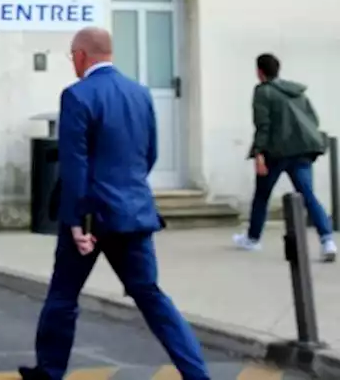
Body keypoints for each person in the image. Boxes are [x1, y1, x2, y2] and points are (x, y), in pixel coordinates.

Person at [19, 27, 208, 380]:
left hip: (91, 216)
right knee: (151, 296)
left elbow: (75, 164)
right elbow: (149, 154)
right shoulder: (140, 94)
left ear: (80, 56)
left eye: (72, 57)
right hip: (134, 213)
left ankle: (49, 371)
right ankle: (197, 374)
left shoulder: (77, 95)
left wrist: (76, 221)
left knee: (63, 296)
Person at [233, 53, 337, 261]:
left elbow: (263, 125)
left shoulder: (263, 92)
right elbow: (312, 118)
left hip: (276, 153)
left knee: (262, 195)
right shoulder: (297, 92)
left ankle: (253, 239)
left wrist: (259, 153)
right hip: (302, 149)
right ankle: (327, 240)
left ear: (259, 72)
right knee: (308, 195)